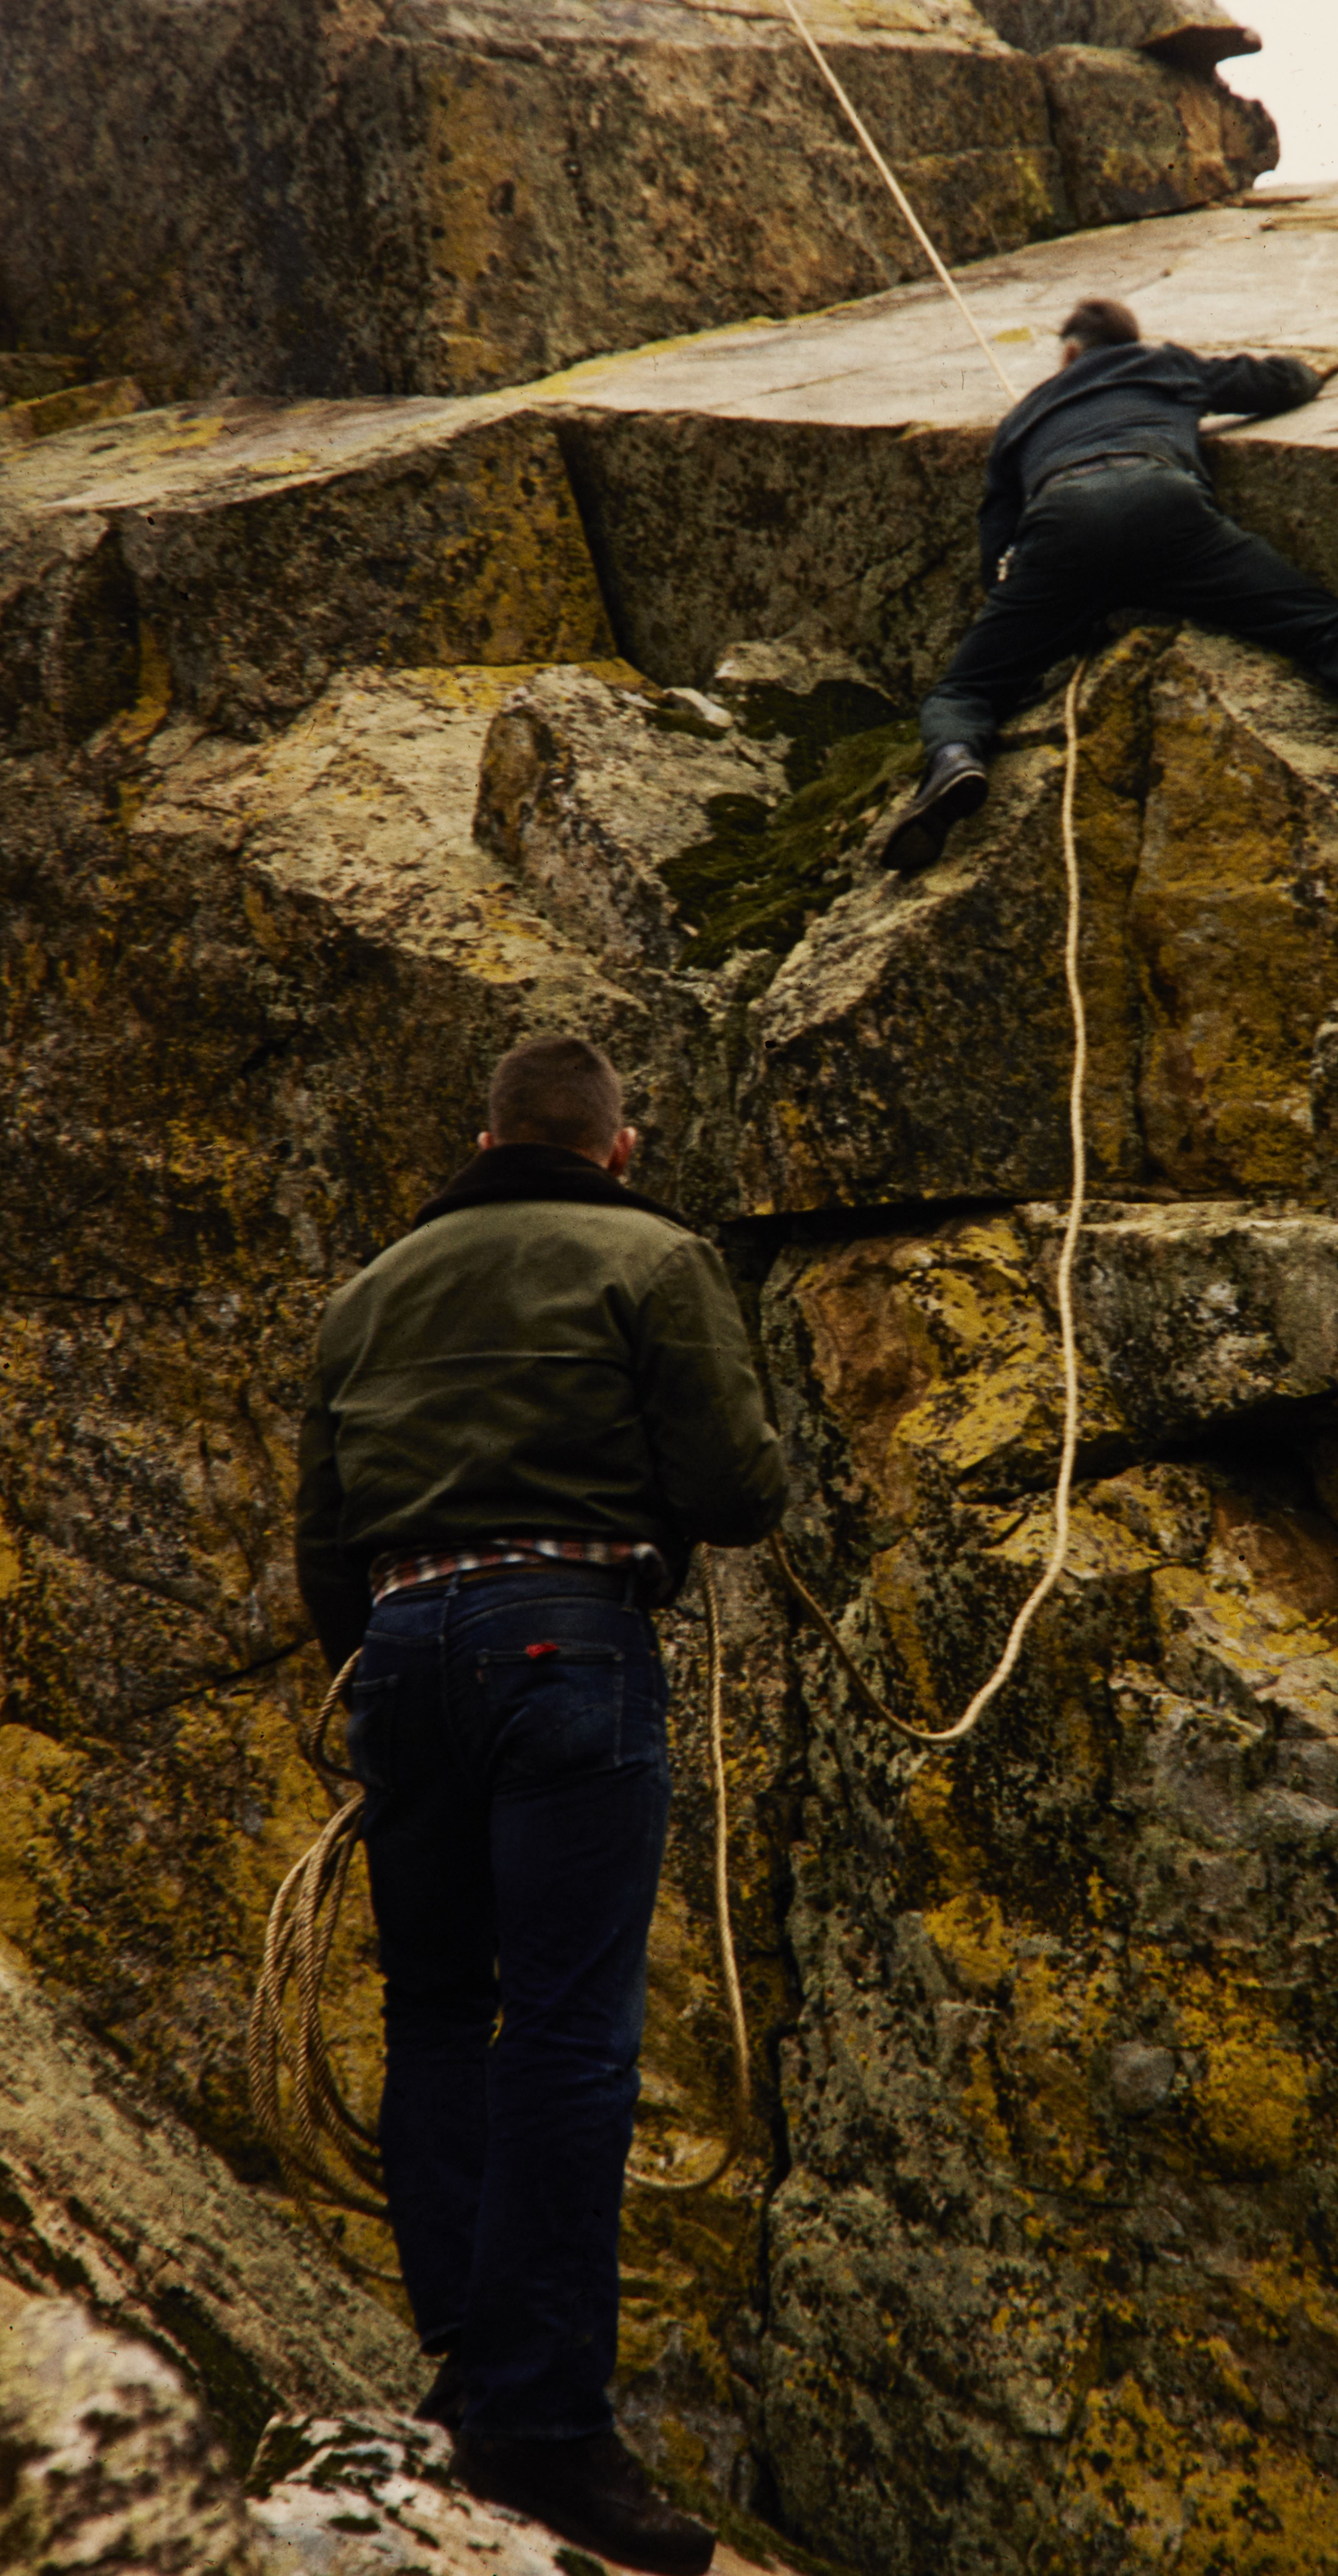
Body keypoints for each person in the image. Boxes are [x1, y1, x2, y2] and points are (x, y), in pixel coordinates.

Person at [295, 1034, 788, 2576]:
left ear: (485, 1136)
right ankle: (544, 2420)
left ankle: (469, 2364)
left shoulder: (368, 1292)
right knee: (569, 2029)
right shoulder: (652, 1255)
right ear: (615, 1145)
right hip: (565, 1637)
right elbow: (739, 1490)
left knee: (438, 2008)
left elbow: (325, 1538)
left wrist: (389, 1669)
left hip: (399, 1651)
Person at [881, 296, 1338, 873]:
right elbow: (1276, 384)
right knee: (1327, 626)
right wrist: (1314, 369)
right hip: (1167, 508)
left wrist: (1039, 615)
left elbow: (996, 545)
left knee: (965, 688)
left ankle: (956, 761)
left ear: (1069, 353)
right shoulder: (1161, 364)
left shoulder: (1020, 417)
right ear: (1128, 340)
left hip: (1063, 523)